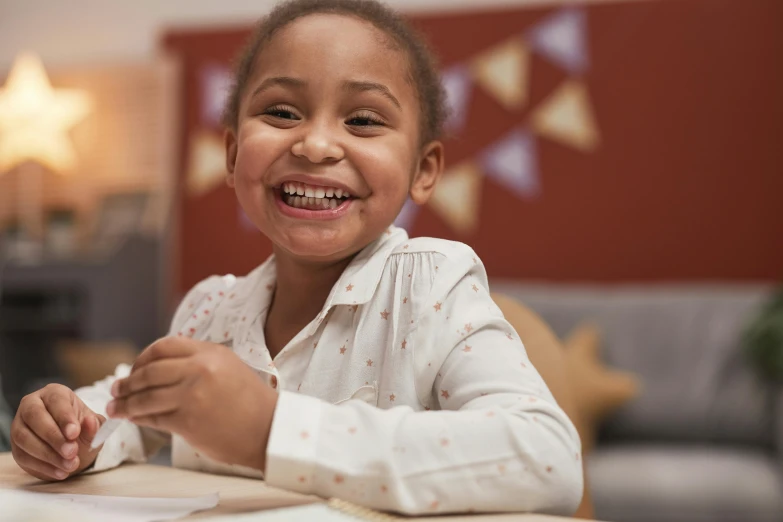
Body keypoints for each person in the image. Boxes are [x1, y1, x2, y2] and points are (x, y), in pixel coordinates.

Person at [9, 0, 583, 515]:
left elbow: (547, 460)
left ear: (423, 170)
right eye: (282, 112)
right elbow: (130, 415)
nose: (315, 144)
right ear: (232, 156)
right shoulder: (210, 310)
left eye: (362, 120)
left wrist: (271, 430)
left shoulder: (433, 286)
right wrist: (72, 432)